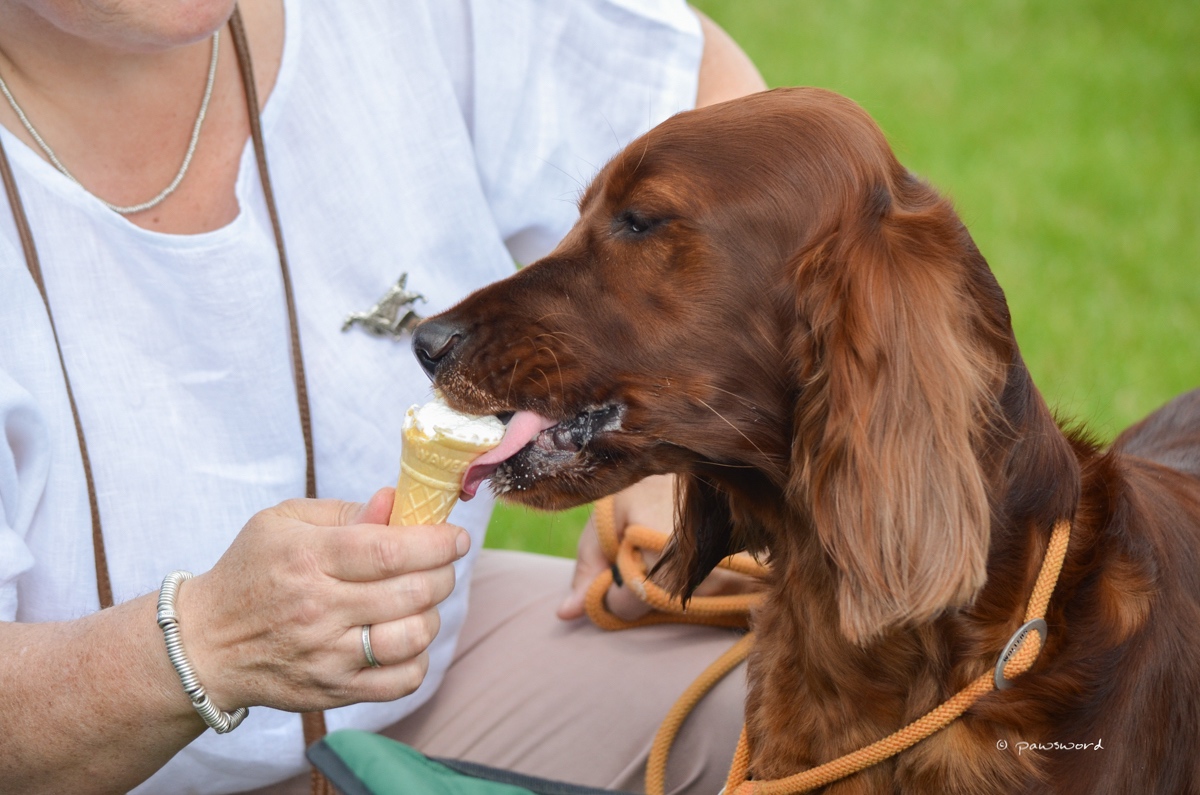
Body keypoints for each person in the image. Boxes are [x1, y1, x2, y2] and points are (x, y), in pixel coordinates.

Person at [0, 1, 766, 793]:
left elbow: (716, 121)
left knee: (818, 693)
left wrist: (666, 451)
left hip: (430, 680)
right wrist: (199, 647)